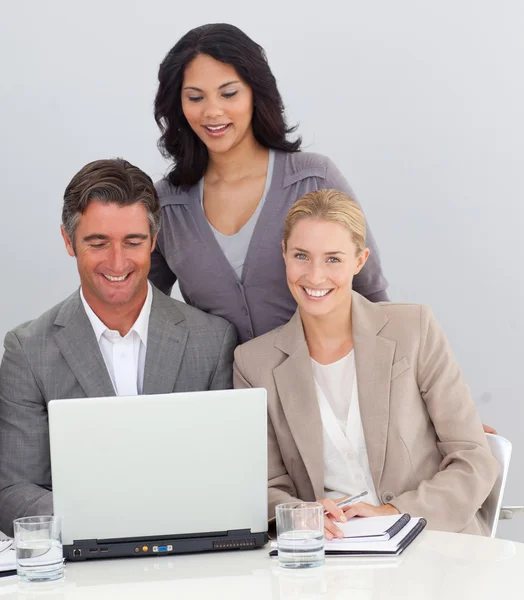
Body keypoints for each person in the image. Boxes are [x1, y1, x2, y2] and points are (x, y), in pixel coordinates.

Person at [233, 189, 498, 536]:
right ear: (284, 254)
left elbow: (473, 459)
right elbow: (265, 487)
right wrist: (303, 513)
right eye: (301, 256)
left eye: (333, 259)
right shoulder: (254, 363)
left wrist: (394, 513)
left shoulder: (413, 330)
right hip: (332, 559)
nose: (314, 276)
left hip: (433, 542)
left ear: (359, 261)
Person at [0, 159, 236, 536]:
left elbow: (230, 472)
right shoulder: (27, 351)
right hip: (79, 568)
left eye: (133, 241)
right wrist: (110, 518)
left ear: (154, 241)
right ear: (68, 241)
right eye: (98, 243)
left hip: (190, 556)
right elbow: (14, 492)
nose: (117, 261)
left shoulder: (212, 340)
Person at [150, 23, 388, 344]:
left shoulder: (313, 179)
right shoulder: (166, 205)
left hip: (321, 387)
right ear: (178, 104)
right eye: (195, 97)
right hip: (221, 393)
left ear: (255, 94)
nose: (212, 111)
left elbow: (371, 295)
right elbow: (140, 308)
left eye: (229, 93)